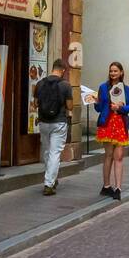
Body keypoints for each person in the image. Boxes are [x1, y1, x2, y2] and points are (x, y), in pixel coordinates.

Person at [34, 58, 74, 197]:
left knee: (46, 152)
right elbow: (69, 106)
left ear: (53, 68)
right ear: (63, 70)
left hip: (43, 122)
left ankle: (51, 178)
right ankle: (49, 184)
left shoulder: (39, 84)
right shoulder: (66, 85)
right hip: (59, 122)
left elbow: (36, 103)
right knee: (55, 153)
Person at [94, 61, 129, 200]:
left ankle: (118, 188)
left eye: (115, 71)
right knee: (108, 155)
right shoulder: (103, 88)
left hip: (120, 124)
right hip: (107, 123)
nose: (113, 73)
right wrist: (96, 102)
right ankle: (106, 186)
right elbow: (98, 108)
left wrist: (121, 108)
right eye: (111, 71)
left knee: (119, 156)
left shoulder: (125, 88)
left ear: (121, 72)